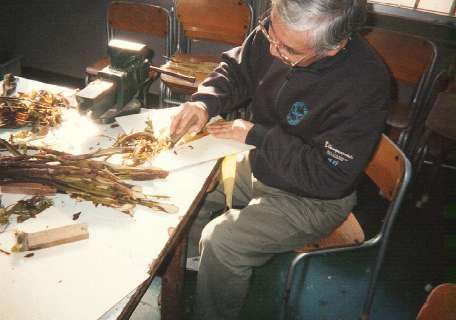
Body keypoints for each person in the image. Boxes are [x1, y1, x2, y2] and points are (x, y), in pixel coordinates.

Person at [170, 0, 391, 319]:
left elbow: (329, 177)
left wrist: (258, 135)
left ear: (334, 47)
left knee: (223, 242)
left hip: (314, 198)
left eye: (288, 50)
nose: (273, 50)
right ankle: (195, 265)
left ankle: (212, 305)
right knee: (189, 185)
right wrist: (204, 103)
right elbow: (238, 69)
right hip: (264, 162)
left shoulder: (365, 84)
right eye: (269, 32)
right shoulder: (282, 30)